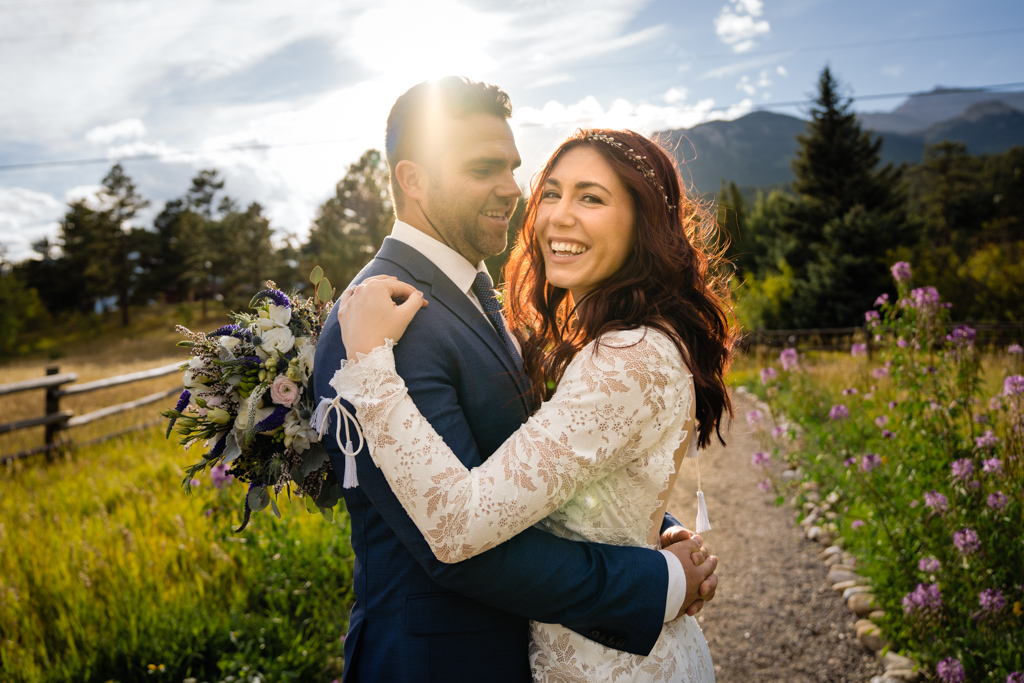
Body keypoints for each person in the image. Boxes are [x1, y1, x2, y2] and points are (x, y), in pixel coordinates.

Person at [312, 77, 719, 683]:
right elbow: (456, 547)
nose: (515, 192)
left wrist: (641, 521)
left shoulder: (473, 297)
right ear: (413, 180)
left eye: (513, 168)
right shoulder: (385, 323)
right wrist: (658, 581)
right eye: (484, 169)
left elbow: (537, 460)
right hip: (439, 662)